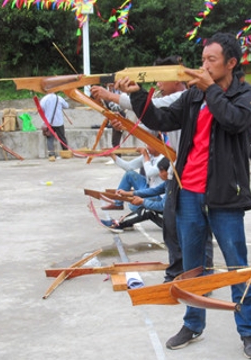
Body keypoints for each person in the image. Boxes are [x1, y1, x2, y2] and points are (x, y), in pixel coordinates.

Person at [114, 33, 251, 359]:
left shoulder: (244, 94)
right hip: (189, 193)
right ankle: (193, 323)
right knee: (193, 268)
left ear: (231, 63)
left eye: (212, 60)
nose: (204, 65)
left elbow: (235, 121)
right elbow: (159, 118)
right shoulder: (194, 95)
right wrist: (138, 95)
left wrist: (210, 88)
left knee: (237, 266)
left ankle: (250, 331)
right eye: (203, 59)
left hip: (225, 195)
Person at [91, 55, 197, 282]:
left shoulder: (186, 97)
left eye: (161, 79)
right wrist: (127, 124)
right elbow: (152, 123)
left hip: (190, 175)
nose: (157, 85)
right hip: (175, 175)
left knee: (192, 233)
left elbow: (153, 107)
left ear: (176, 77)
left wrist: (110, 95)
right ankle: (177, 273)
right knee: (172, 231)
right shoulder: (170, 98)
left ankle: (196, 278)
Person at [100, 157, 171, 233]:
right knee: (145, 206)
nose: (159, 174)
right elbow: (154, 191)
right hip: (170, 215)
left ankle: (120, 224)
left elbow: (161, 206)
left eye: (161, 171)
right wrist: (129, 193)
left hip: (174, 223)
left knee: (148, 211)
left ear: (169, 171)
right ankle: (126, 221)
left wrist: (143, 201)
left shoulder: (173, 186)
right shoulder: (169, 181)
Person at [103, 146, 164, 211]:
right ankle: (118, 203)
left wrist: (145, 155)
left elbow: (150, 172)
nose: (147, 147)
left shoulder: (164, 158)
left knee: (133, 206)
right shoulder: (148, 155)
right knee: (129, 174)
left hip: (157, 193)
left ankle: (149, 203)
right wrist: (112, 155)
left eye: (150, 145)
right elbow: (128, 166)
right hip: (148, 186)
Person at [40, 92, 70, 162]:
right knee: (62, 137)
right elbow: (66, 106)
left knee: (50, 138)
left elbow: (41, 109)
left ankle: (51, 154)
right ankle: (65, 152)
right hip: (59, 122)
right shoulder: (59, 98)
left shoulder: (44, 99)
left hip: (49, 123)